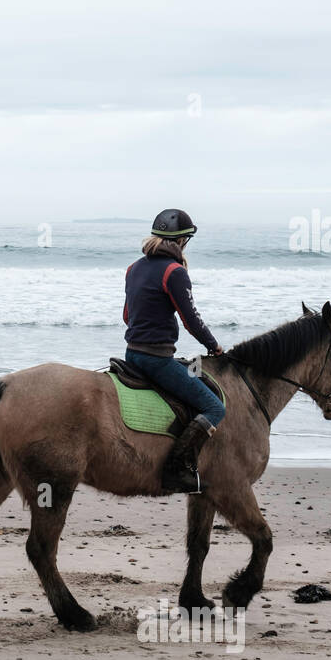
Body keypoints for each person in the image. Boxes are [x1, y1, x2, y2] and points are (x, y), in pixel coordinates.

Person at [122, 209, 226, 493]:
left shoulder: (133, 268)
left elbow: (127, 316)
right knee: (214, 406)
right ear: (181, 241)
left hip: (132, 354)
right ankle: (178, 468)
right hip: (156, 359)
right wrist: (214, 346)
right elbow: (191, 320)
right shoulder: (174, 271)